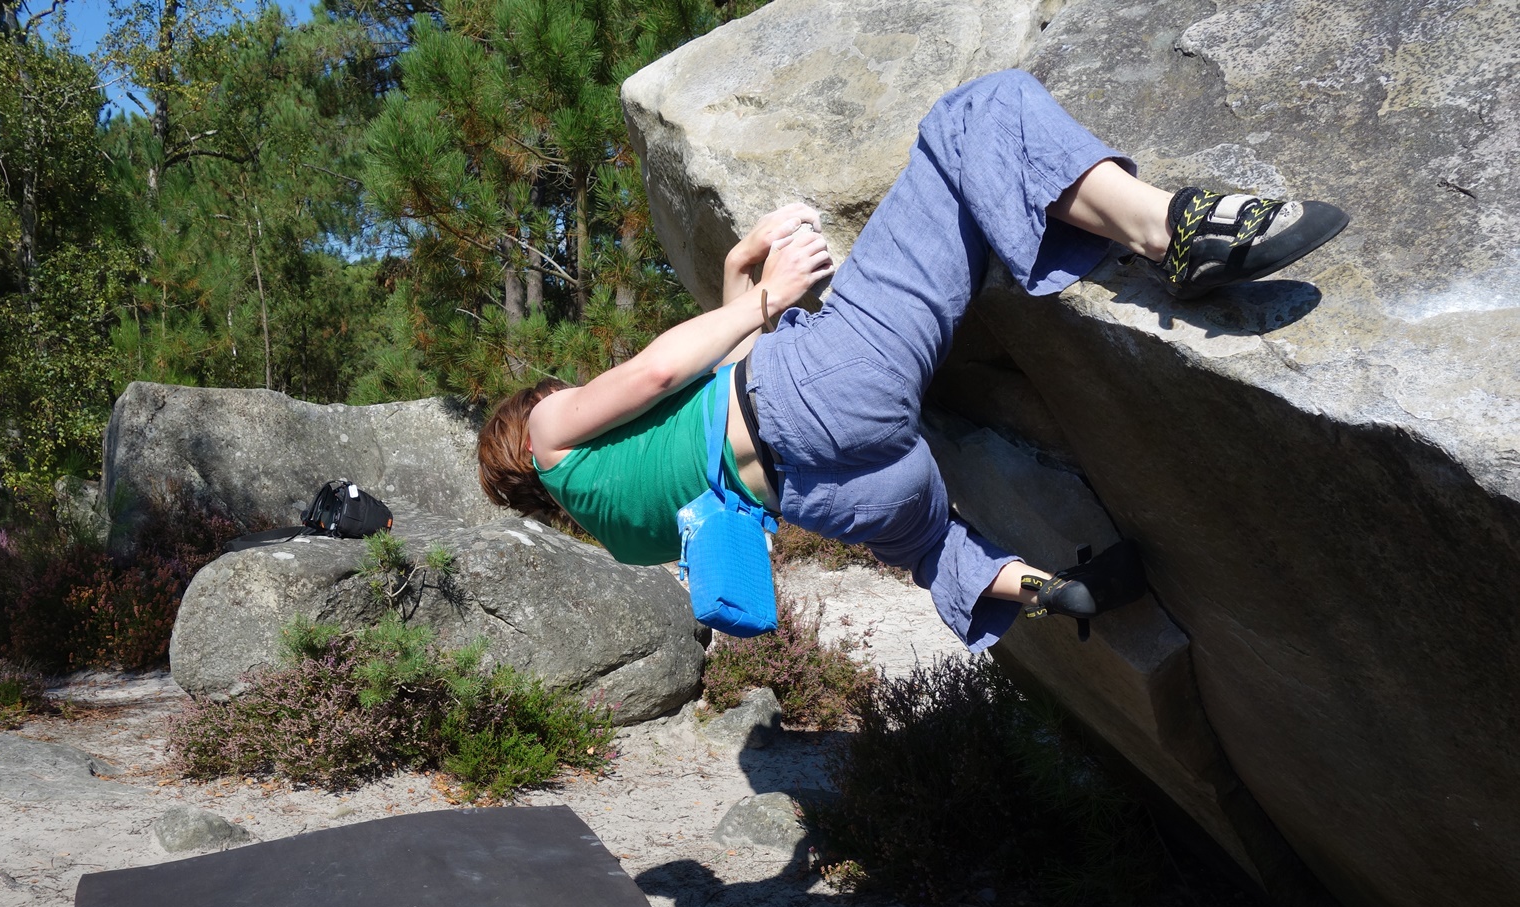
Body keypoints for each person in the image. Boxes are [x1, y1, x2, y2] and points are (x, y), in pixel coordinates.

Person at [476, 70, 1348, 653]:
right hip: (821, 393)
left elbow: (706, 423)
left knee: (933, 545)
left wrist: (742, 274)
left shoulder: (618, 527)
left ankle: (1044, 588)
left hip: (838, 491)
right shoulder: (554, 429)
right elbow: (654, 378)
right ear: (524, 441)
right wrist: (771, 295)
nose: (561, 395)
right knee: (975, 117)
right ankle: (1178, 230)